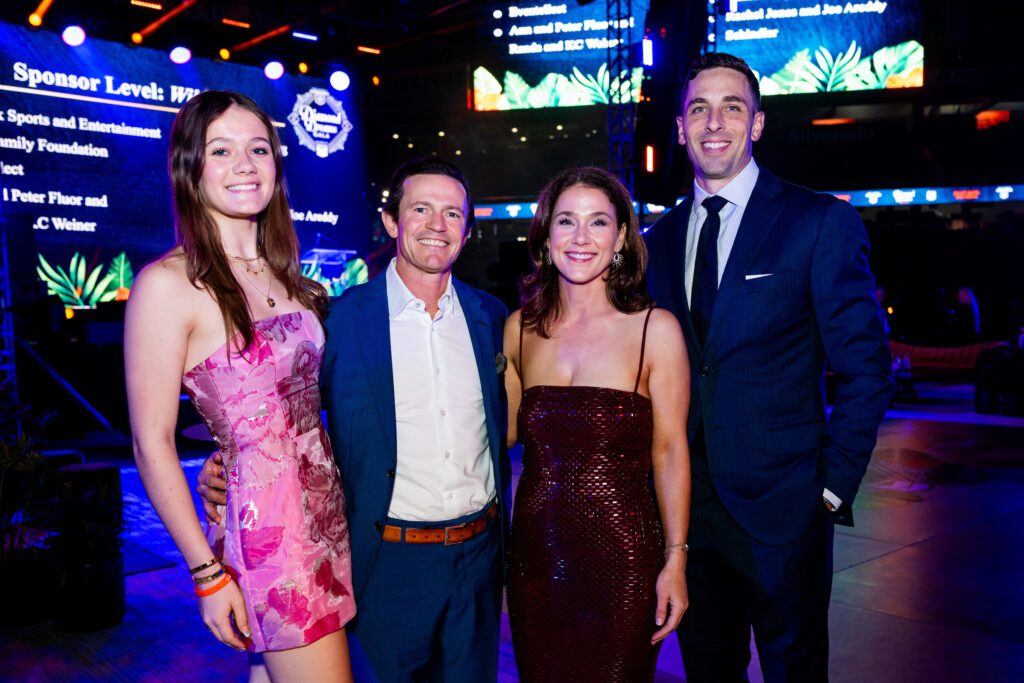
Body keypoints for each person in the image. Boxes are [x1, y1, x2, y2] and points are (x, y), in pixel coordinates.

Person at [198, 158, 510, 682]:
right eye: (421, 209)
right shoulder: (338, 321)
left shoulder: (491, 318)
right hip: (384, 563)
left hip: (479, 560)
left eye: (453, 213)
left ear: (468, 228)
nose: (437, 225)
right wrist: (228, 461)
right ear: (390, 221)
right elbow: (283, 411)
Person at [644, 53, 894, 682]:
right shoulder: (656, 242)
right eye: (699, 109)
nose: (714, 123)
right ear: (680, 127)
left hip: (788, 511)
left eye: (732, 107)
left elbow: (866, 368)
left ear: (756, 124)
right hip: (688, 518)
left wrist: (831, 488)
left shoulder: (818, 221)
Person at [125, 90, 355, 683]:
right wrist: (207, 573)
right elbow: (151, 443)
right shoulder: (168, 285)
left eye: (258, 148)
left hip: (324, 515)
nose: (245, 165)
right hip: (272, 535)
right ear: (190, 167)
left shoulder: (285, 275)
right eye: (221, 150)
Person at [504, 167, 691, 682]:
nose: (581, 237)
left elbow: (670, 451)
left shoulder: (656, 330)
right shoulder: (519, 330)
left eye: (598, 222)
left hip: (623, 561)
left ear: (622, 237)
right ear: (546, 236)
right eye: (566, 221)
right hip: (536, 560)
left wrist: (675, 559)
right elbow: (499, 434)